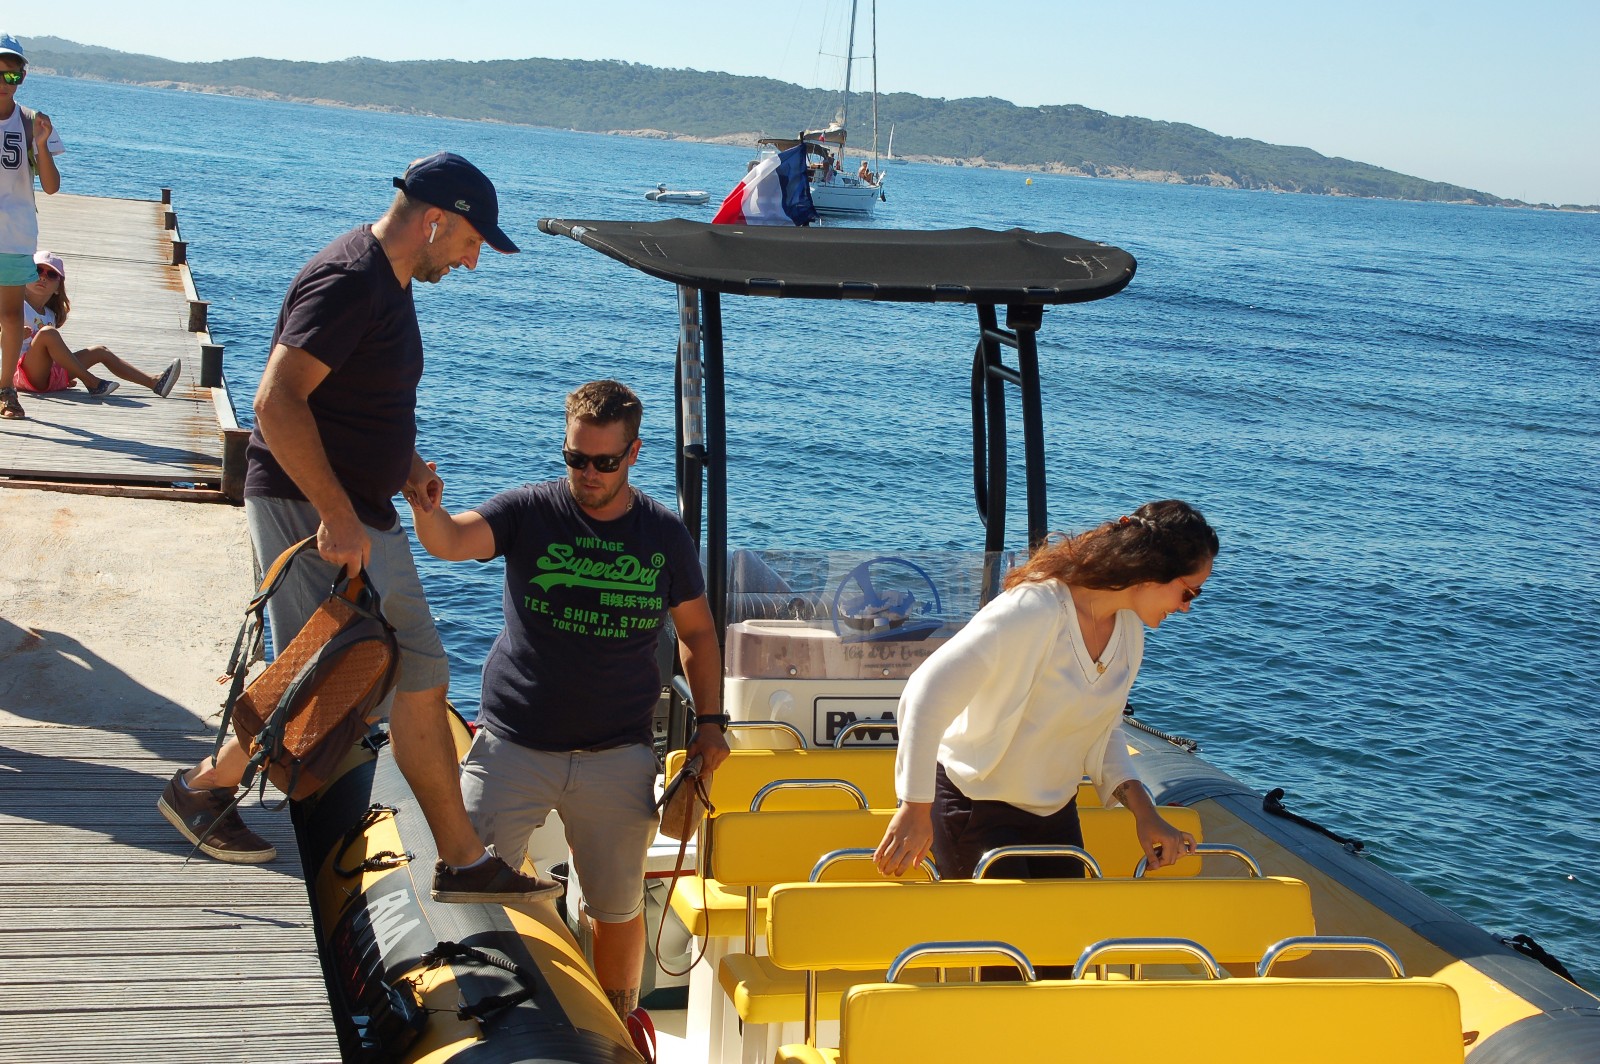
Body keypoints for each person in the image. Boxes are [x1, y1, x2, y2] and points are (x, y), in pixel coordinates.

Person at [157, 151, 559, 906]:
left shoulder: (387, 281)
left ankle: (459, 858)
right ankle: (204, 789)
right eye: (474, 242)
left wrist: (404, 464)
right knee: (339, 672)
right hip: (315, 509)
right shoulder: (349, 279)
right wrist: (337, 515)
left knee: (393, 670)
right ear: (436, 220)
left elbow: (351, 400)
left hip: (358, 508)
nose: (473, 261)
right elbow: (276, 402)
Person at [404, 378, 731, 1028]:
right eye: (575, 458)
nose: (588, 473)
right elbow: (451, 541)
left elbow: (696, 633)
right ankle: (479, 1022)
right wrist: (427, 510)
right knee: (466, 883)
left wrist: (712, 723)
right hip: (513, 746)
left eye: (604, 461)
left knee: (617, 909)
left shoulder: (663, 535)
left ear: (633, 453)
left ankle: (620, 1027)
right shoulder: (530, 510)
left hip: (618, 756)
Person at [874, 500, 1218, 884]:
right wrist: (915, 807)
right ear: (1153, 571)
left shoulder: (1129, 633)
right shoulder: (1034, 608)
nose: (1186, 608)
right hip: (975, 807)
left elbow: (1103, 731)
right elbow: (927, 691)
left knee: (1066, 923)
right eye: (1189, 593)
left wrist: (1145, 814)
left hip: (1055, 814)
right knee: (1007, 924)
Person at [13, 251, 182, 399]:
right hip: (21, 373)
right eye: (37, 270)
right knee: (47, 333)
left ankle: (154, 382)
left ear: (58, 287)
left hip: (47, 374)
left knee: (100, 351)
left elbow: (54, 351)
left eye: (51, 274)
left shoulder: (50, 314)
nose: (43, 277)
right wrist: (15, 335)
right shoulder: (15, 307)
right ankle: (91, 382)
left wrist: (64, 374)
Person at [1, 32, 64, 422]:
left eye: (10, 75)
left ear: (22, 77)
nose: (3, 82)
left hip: (14, 235)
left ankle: (6, 390)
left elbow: (52, 186)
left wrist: (40, 143)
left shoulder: (32, 121)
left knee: (11, 316)